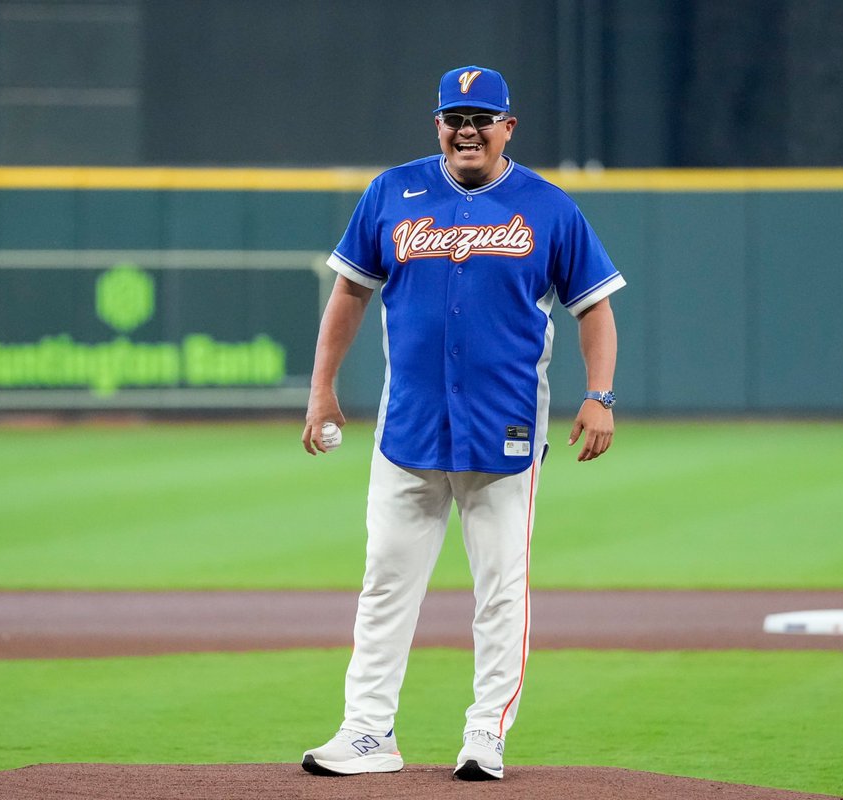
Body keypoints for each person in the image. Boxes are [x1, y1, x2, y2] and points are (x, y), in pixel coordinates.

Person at [300, 65, 624, 781]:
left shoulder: (548, 206)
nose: (467, 129)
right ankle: (366, 732)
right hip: (409, 427)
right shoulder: (392, 191)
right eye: (455, 116)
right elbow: (350, 291)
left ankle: (485, 735)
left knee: (501, 588)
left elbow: (594, 306)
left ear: (509, 126)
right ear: (437, 124)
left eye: (482, 117)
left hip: (503, 427)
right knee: (385, 582)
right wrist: (322, 389)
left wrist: (599, 394)